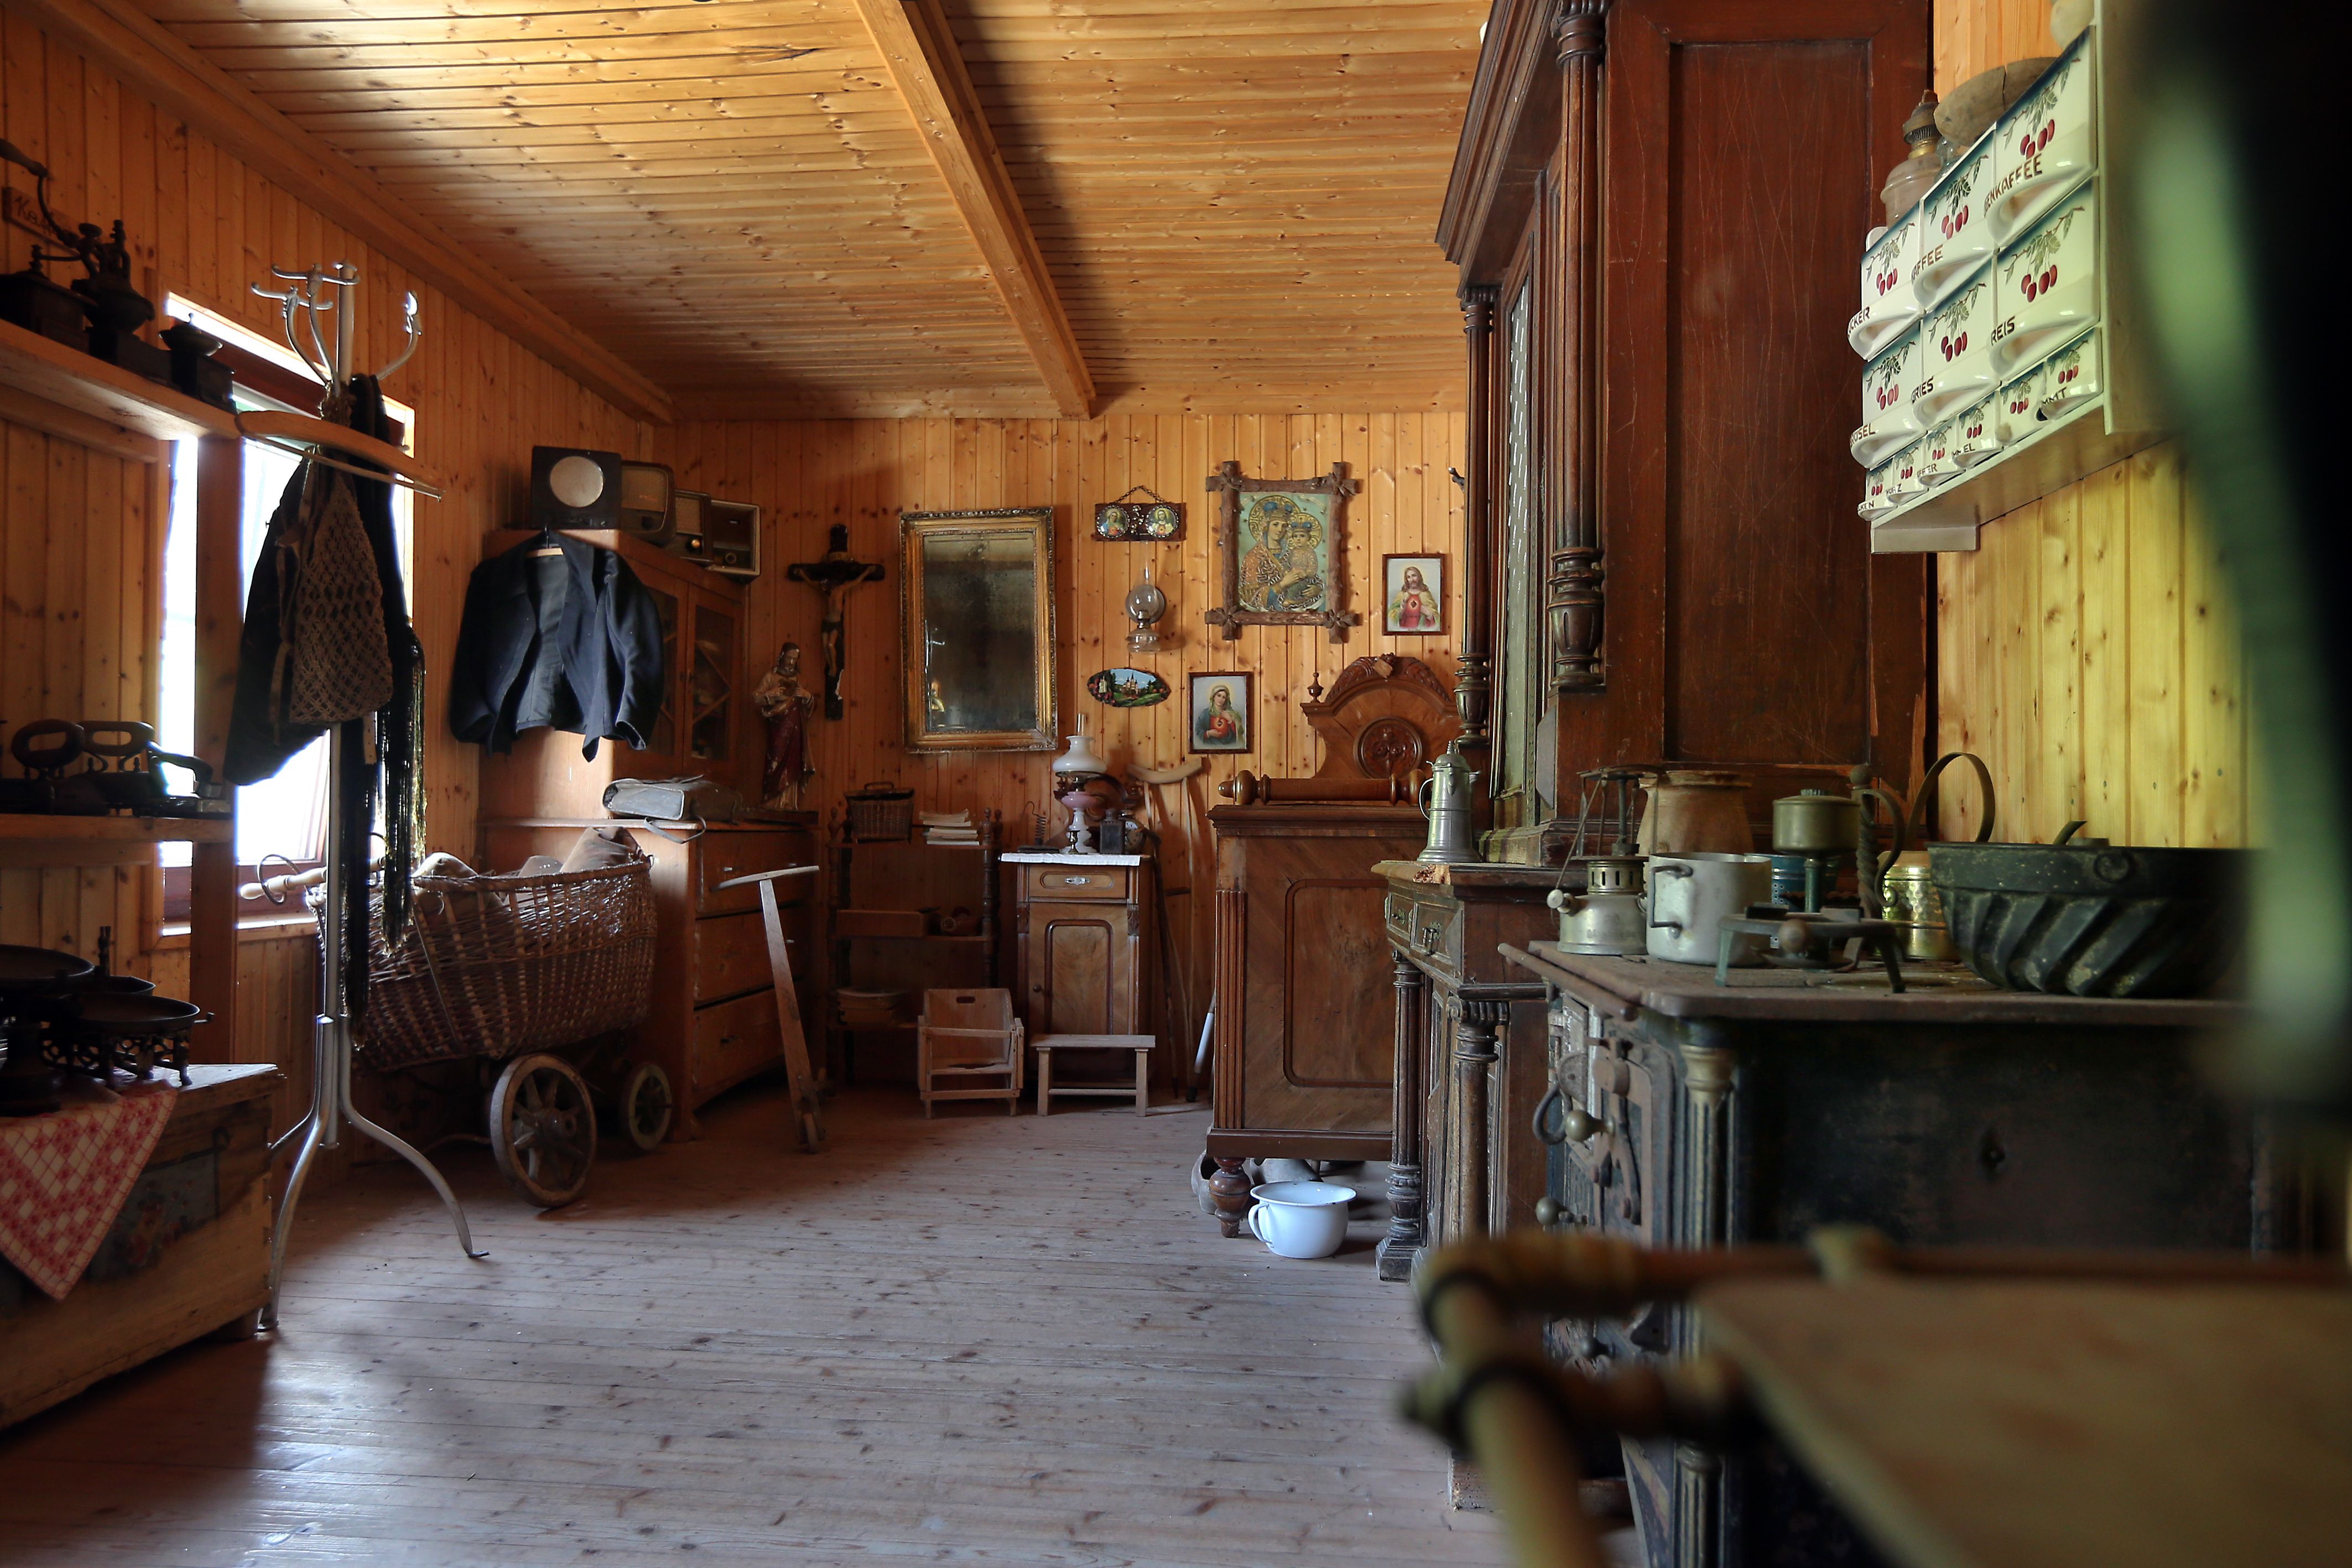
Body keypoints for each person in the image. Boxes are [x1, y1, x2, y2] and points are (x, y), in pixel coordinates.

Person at [1390, 564, 1439, 632]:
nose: (1412, 580)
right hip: (1404, 629)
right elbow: (1391, 616)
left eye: (1414, 576)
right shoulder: (1402, 595)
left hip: (1422, 628)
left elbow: (1437, 617)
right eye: (1409, 577)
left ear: (1419, 577)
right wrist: (1401, 611)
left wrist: (1430, 615)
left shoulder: (1425, 594)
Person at [1196, 684, 1241, 748]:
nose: (1221, 699)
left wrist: (1230, 720)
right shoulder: (1206, 713)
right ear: (1214, 696)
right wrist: (1209, 734)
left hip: (1229, 746)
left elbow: (1239, 733)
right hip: (1211, 744)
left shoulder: (1232, 714)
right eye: (1219, 696)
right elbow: (1198, 729)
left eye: (1224, 697)